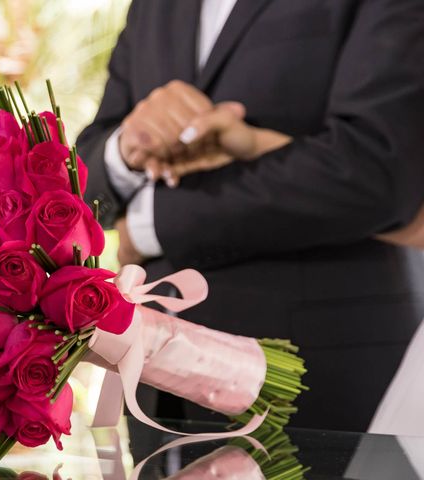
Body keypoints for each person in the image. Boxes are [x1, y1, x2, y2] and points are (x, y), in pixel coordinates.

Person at [76, 0, 424, 432]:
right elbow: (85, 179)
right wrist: (128, 147)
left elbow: (378, 171)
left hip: (318, 372)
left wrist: (151, 224)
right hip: (155, 383)